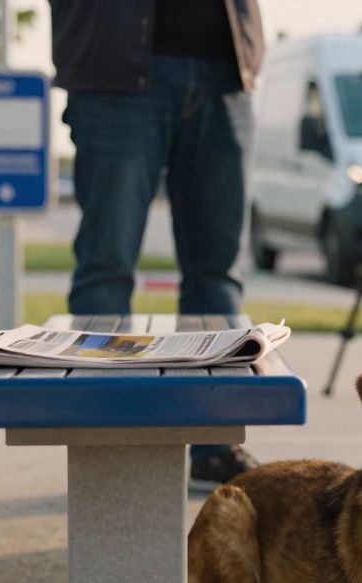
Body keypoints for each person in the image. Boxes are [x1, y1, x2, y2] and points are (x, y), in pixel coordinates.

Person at [50, 0, 265, 488]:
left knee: (218, 274)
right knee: (106, 267)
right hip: (112, 68)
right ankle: (103, 443)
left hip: (226, 71)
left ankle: (215, 446)